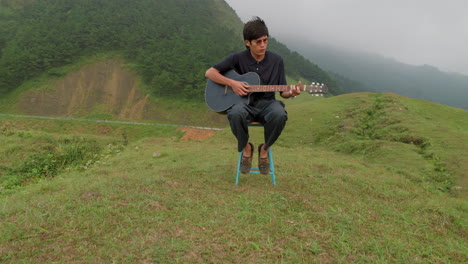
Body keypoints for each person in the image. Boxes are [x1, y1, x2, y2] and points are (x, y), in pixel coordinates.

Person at [205, 16, 301, 175]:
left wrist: (292, 93)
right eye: (258, 42)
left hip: (268, 104)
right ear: (247, 43)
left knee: (279, 114)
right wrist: (232, 83)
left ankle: (264, 149)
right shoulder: (237, 58)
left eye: (265, 40)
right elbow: (210, 73)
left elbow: (283, 91)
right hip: (244, 105)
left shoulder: (277, 61)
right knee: (235, 113)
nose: (263, 45)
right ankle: (246, 147)